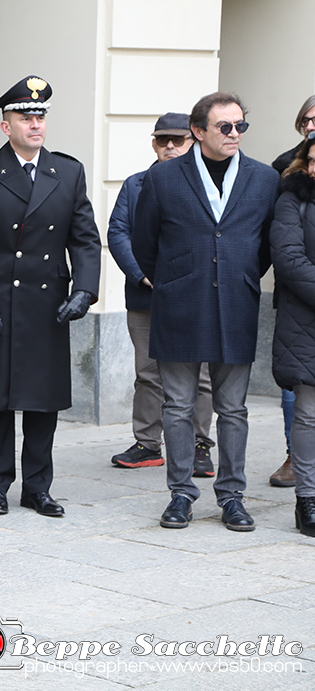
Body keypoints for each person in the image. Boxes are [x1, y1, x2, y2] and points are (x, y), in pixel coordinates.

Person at [0, 75, 101, 518]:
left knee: (42, 401)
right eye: (25, 117)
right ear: (5, 125)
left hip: (46, 302)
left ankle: (38, 487)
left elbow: (85, 239)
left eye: (40, 116)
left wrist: (85, 290)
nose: (35, 124)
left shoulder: (68, 171)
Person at [133, 91, 278, 532]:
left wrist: (243, 276)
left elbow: (267, 245)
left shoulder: (263, 178)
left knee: (233, 409)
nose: (235, 134)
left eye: (240, 126)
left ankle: (232, 496)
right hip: (179, 302)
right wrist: (175, 279)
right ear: (198, 132)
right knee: (177, 405)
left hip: (236, 303)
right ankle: (180, 494)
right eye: (225, 127)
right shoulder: (164, 178)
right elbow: (144, 241)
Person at [107, 113, 215, 475]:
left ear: (193, 141)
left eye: (178, 140)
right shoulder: (136, 185)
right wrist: (141, 274)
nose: (170, 146)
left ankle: (200, 445)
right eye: (162, 140)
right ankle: (147, 443)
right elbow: (118, 231)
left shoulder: (206, 184)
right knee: (148, 372)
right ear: (153, 143)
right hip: (146, 295)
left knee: (199, 374)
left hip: (195, 297)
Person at [268, 95, 315, 488]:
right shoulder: (287, 179)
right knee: (303, 401)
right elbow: (287, 255)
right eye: (308, 119)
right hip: (299, 306)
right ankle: (299, 472)